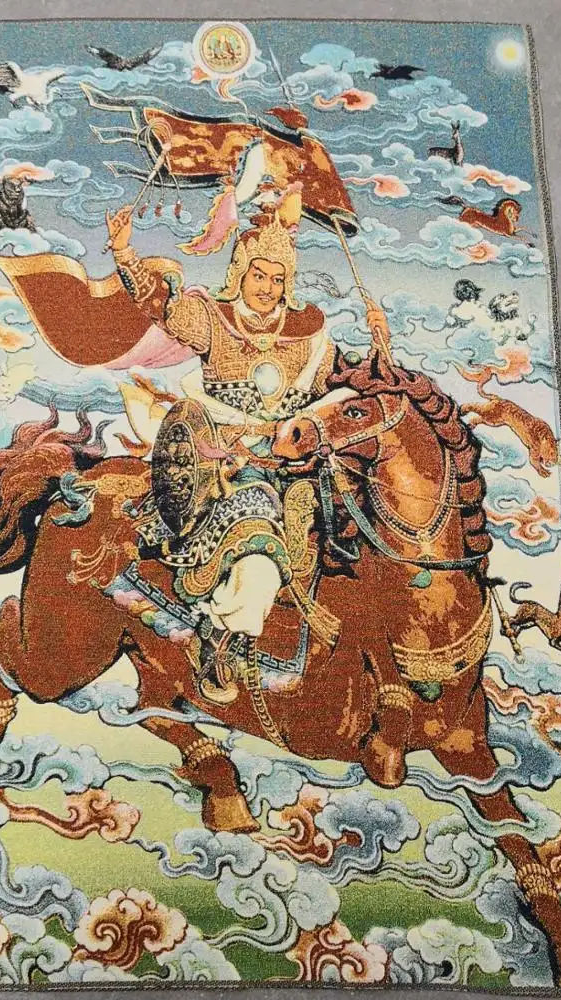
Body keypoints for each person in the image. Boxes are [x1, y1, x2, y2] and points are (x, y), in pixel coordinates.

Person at [104, 199, 389, 702]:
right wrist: (125, 252)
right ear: (239, 273)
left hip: (302, 457)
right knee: (259, 562)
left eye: (277, 279)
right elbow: (161, 306)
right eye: (259, 275)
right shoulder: (212, 320)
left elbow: (345, 380)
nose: (267, 287)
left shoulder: (307, 333)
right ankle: (221, 639)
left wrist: (379, 348)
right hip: (231, 460)